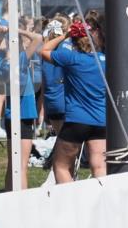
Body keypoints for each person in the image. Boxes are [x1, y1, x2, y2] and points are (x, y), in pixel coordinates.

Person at [41, 15, 107, 183]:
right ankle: (103, 197)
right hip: (100, 120)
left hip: (76, 119)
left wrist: (65, 35)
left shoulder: (71, 58)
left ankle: (70, 198)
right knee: (99, 166)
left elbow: (44, 50)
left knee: (61, 166)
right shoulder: (104, 61)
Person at [0, 25, 43, 191]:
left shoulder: (2, 63)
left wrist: (2, 37)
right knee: (22, 165)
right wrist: (17, 30)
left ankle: (7, 196)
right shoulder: (21, 60)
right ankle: (21, 199)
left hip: (11, 115)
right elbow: (38, 38)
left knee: (12, 164)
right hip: (23, 115)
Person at [40, 14, 71, 134]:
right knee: (71, 142)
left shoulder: (45, 51)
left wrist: (45, 110)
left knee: (61, 139)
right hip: (66, 103)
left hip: (51, 103)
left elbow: (44, 84)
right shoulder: (67, 48)